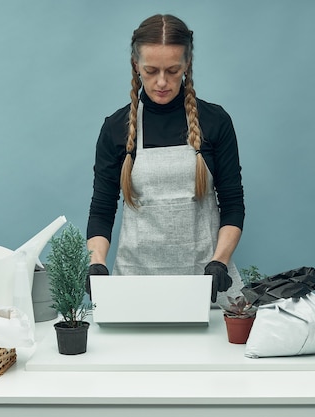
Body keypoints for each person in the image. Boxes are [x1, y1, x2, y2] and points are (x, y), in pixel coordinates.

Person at [86, 14, 245, 304]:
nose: (162, 82)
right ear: (136, 66)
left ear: (187, 65)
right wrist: (97, 262)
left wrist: (219, 262)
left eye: (173, 70)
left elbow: (233, 205)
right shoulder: (115, 128)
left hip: (206, 283)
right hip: (135, 285)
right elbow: (102, 209)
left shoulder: (215, 121)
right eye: (151, 70)